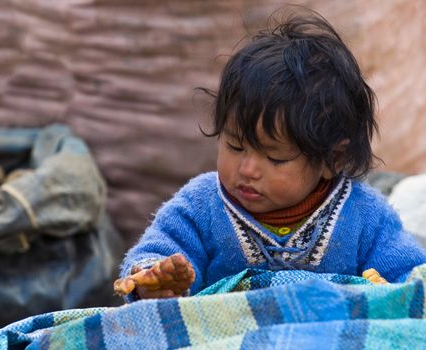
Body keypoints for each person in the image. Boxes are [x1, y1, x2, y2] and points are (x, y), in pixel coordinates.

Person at [115, 8, 426, 301]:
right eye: (235, 146)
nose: (247, 169)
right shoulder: (200, 206)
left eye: (275, 158)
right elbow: (156, 253)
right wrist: (154, 280)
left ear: (334, 159)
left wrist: (397, 292)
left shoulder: (364, 215)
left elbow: (409, 277)